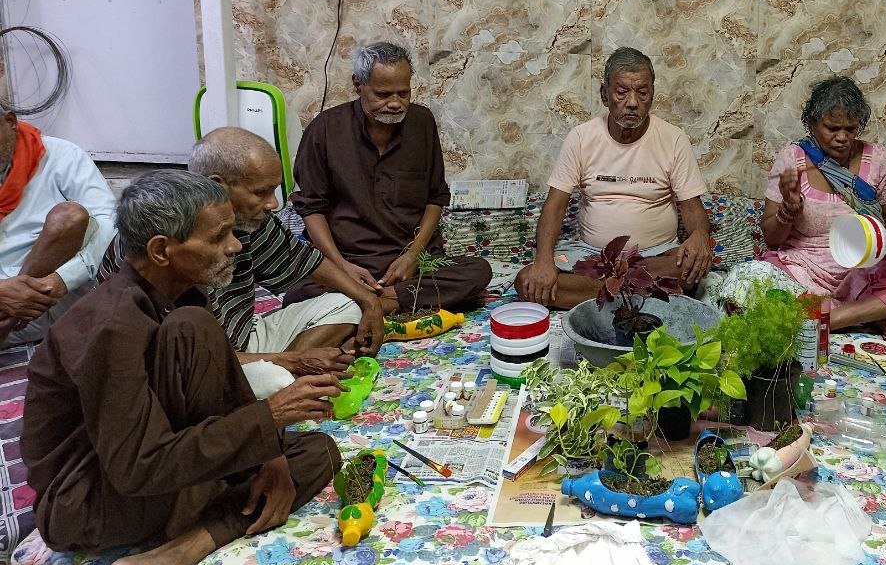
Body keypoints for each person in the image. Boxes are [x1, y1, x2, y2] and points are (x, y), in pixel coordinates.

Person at [22, 170, 340, 565]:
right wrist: (267, 417)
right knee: (203, 341)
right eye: (219, 236)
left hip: (154, 466)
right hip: (91, 498)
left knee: (314, 455)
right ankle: (174, 544)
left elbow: (214, 394)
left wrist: (268, 448)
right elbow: (138, 468)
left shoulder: (178, 297)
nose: (235, 247)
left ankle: (165, 560)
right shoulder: (112, 324)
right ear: (161, 250)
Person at [100, 127, 385, 378]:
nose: (274, 204)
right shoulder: (163, 250)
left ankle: (281, 374)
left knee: (342, 303)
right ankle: (281, 378)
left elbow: (300, 260)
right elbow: (172, 367)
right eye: (261, 192)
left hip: (241, 340)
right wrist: (291, 362)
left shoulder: (248, 221)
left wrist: (369, 301)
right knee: (266, 380)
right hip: (193, 367)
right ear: (217, 184)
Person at [712, 76, 886, 333]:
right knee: (742, 282)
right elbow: (771, 239)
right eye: (832, 128)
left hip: (866, 271)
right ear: (812, 124)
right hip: (803, 269)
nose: (842, 138)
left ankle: (830, 318)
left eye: (850, 129)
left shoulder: (880, 160)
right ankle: (867, 314)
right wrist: (788, 211)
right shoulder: (792, 159)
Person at [287, 41, 491, 317]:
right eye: (383, 94)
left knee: (478, 271)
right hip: (351, 260)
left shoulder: (422, 122)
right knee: (297, 294)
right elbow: (311, 208)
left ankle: (376, 303)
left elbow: (436, 196)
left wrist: (413, 255)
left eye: (403, 93)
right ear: (358, 85)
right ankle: (392, 299)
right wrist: (341, 267)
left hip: (410, 263)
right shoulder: (324, 129)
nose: (395, 104)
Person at [515, 47, 713, 310]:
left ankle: (608, 293)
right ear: (604, 95)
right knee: (527, 280)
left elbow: (692, 208)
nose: (632, 102)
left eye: (642, 92)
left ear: (652, 95)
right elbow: (555, 205)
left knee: (687, 269)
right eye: (622, 92)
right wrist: (543, 261)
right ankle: (632, 293)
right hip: (592, 258)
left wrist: (699, 235)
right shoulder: (582, 137)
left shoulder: (673, 138)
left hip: (655, 257)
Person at [0, 109, 116, 347]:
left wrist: (58, 281)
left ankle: (11, 319)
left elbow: (110, 223)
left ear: (10, 122)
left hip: (56, 297)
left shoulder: (62, 156)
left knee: (69, 218)